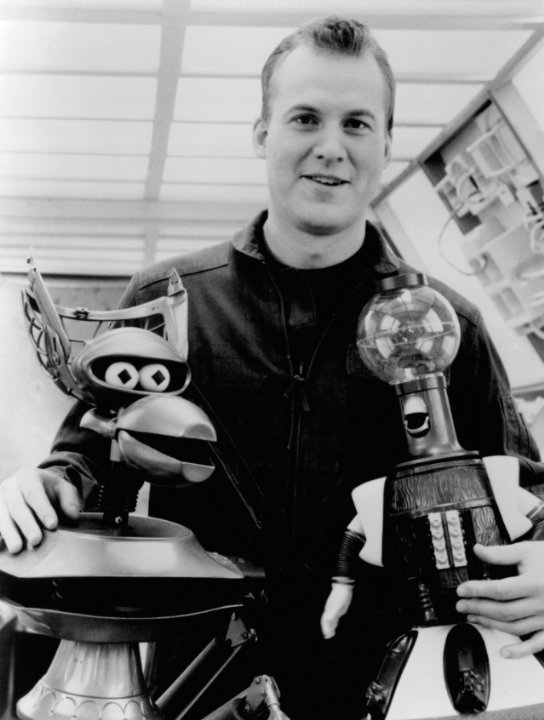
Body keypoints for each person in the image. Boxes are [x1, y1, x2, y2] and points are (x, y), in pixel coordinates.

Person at [2, 15, 544, 719]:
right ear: (262, 132)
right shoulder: (168, 303)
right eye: (305, 118)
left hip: (389, 691)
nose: (331, 147)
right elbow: (86, 462)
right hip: (196, 687)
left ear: (386, 144)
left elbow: (525, 495)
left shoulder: (444, 327)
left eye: (356, 124)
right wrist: (39, 489)